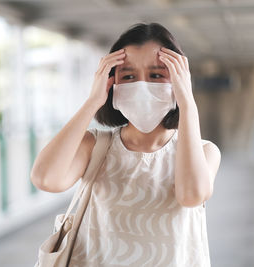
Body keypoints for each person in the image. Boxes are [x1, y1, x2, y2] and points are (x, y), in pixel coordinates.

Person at [30, 22, 221, 267]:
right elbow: (46, 179)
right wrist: (93, 101)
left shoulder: (205, 151)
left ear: (178, 81)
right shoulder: (95, 146)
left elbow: (191, 195)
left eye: (156, 75)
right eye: (128, 76)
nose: (141, 86)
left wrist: (188, 103)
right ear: (112, 85)